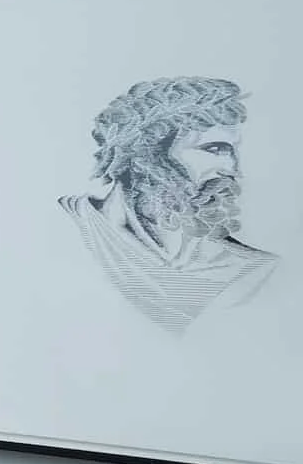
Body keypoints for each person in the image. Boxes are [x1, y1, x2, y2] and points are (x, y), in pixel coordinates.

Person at [59, 76, 278, 334]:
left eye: (232, 151)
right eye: (215, 149)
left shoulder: (251, 270)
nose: (233, 171)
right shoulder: (67, 230)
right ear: (144, 156)